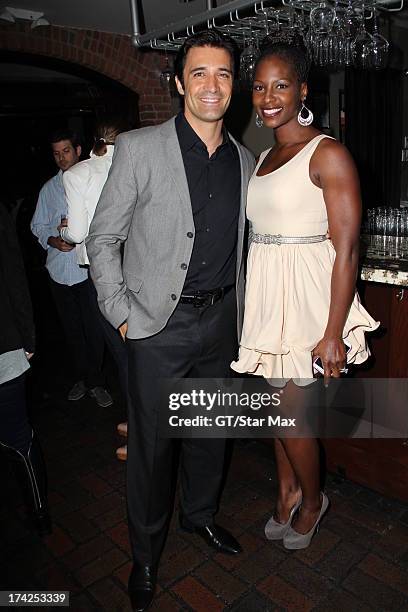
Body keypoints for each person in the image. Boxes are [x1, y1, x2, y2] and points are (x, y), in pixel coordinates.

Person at [87, 29, 255, 612]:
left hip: (219, 326)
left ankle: (200, 517)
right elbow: (102, 238)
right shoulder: (138, 148)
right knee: (153, 450)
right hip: (157, 328)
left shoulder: (245, 159)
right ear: (180, 82)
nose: (212, 85)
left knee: (211, 436)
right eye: (201, 74)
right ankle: (145, 555)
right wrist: (121, 315)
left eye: (224, 74)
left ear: (234, 85)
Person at [231, 33, 379, 550]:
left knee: (291, 414)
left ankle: (314, 502)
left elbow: (347, 250)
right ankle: (288, 490)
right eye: (258, 87)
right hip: (270, 296)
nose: (268, 98)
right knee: (277, 410)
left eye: (281, 86)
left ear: (303, 91)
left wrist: (334, 332)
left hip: (310, 302)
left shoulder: (328, 153)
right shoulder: (266, 156)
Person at [59, 119, 128, 456]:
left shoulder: (77, 175)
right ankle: (142, 417)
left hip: (103, 270)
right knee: (139, 347)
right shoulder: (134, 163)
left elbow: (77, 232)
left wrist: (66, 230)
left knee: (122, 351)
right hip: (139, 264)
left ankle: (141, 424)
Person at [30, 129, 113, 408]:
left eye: (65, 151)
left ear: (78, 150)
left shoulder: (94, 179)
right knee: (71, 330)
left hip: (88, 270)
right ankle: (83, 378)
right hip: (58, 272)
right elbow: (37, 226)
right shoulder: (48, 189)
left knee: (94, 329)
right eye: (56, 153)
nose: (61, 157)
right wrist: (53, 239)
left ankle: (97, 381)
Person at [0, 203, 51, 536]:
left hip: (3, 345)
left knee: (16, 436)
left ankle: (39, 513)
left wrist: (27, 336)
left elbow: (14, 274)